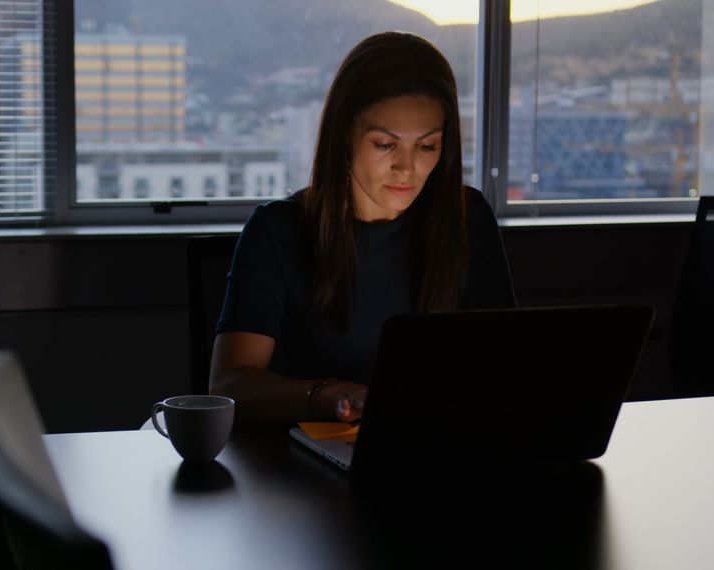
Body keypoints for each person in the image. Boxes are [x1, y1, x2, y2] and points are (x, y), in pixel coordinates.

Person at [209, 31, 516, 428]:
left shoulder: (467, 215)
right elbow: (230, 387)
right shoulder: (277, 229)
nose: (407, 168)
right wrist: (331, 397)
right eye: (385, 145)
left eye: (427, 147)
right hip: (304, 466)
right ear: (344, 136)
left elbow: (506, 364)